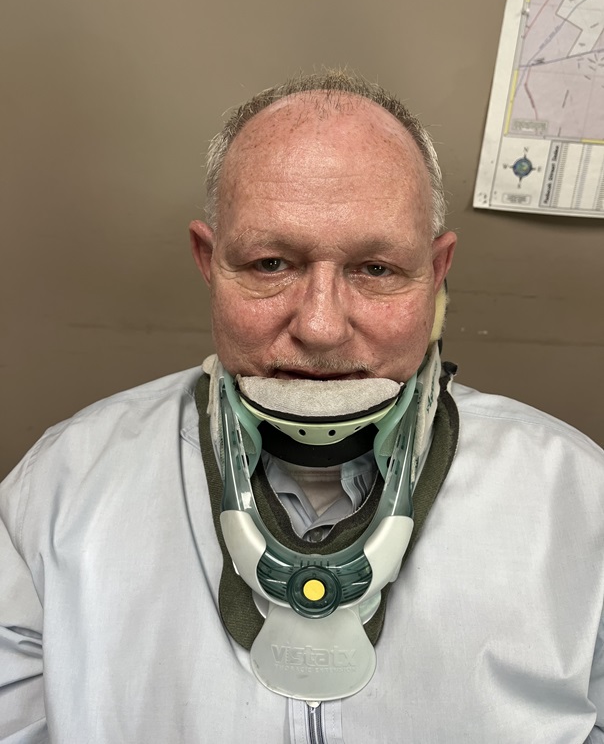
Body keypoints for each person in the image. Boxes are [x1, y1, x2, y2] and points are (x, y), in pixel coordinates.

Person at [1, 70, 603, 744]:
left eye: (375, 269)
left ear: (436, 272)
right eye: (271, 264)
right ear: (208, 260)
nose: (319, 328)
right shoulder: (56, 493)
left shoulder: (578, 501)